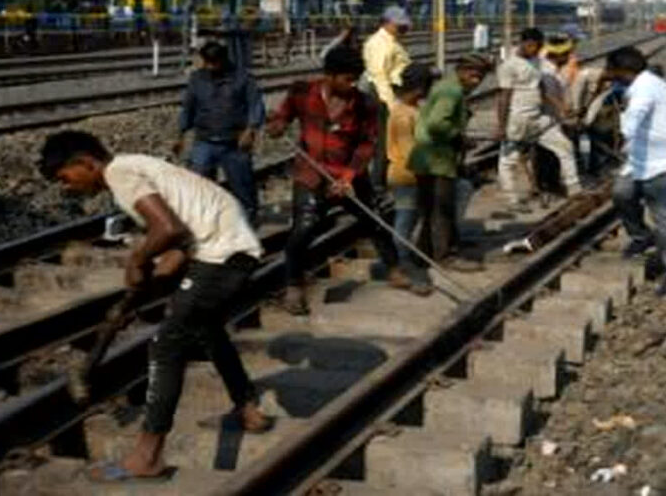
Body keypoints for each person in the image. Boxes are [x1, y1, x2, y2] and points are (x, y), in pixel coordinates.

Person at [38, 131, 272, 483]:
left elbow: (166, 228)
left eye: (64, 177)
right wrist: (141, 293)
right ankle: (248, 409)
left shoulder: (119, 174)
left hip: (222, 254)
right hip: (228, 249)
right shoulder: (136, 167)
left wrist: (136, 259)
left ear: (86, 163)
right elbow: (177, 244)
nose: (66, 187)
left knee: (166, 345)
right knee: (204, 327)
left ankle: (147, 457)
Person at [268, 45, 399, 314]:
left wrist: (350, 176)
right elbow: (284, 115)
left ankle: (395, 268)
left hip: (348, 174)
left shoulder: (365, 104)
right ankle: (293, 287)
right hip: (311, 174)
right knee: (302, 231)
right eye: (346, 79)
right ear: (329, 75)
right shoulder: (301, 92)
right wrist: (278, 124)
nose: (351, 85)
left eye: (355, 79)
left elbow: (366, 145)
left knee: (375, 220)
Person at [606, 47, 666, 296]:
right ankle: (641, 236)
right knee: (622, 192)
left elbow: (634, 117)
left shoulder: (645, 89)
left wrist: (623, 129)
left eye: (612, 70)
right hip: (642, 160)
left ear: (622, 71)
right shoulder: (649, 83)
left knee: (665, 218)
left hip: (665, 163)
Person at [409, 54, 495, 266]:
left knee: (430, 209)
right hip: (436, 157)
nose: (477, 82)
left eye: (481, 77)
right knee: (442, 209)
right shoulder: (452, 91)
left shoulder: (446, 87)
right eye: (474, 75)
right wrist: (459, 137)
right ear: (462, 71)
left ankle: (425, 251)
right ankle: (445, 256)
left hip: (429, 156)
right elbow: (437, 124)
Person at [174, 41, 265, 223]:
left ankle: (248, 217)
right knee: (200, 182)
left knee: (241, 183)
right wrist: (181, 134)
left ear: (223, 59)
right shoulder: (197, 79)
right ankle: (206, 219)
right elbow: (189, 107)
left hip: (234, 141)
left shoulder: (243, 78)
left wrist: (251, 129)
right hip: (205, 139)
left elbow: (255, 105)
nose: (210, 66)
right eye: (207, 62)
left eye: (214, 62)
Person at [496, 28, 582, 214]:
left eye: (538, 46)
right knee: (508, 159)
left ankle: (575, 189)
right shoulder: (509, 66)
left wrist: (559, 106)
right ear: (523, 43)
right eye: (532, 46)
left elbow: (541, 88)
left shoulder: (537, 62)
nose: (535, 50)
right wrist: (502, 127)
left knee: (564, 146)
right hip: (517, 118)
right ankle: (512, 200)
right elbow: (503, 97)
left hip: (538, 118)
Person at [386, 63, 435, 294]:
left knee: (411, 219)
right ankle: (403, 264)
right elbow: (409, 152)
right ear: (419, 88)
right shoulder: (403, 115)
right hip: (406, 177)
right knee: (404, 223)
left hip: (413, 176)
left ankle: (407, 258)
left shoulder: (412, 109)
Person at [363, 5, 413, 193]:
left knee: (391, 139)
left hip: (391, 93)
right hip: (383, 95)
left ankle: (383, 179)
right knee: (385, 141)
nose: (402, 29)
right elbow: (379, 76)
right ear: (387, 23)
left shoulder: (391, 41)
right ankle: (378, 181)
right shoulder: (379, 44)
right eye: (399, 25)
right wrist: (391, 104)